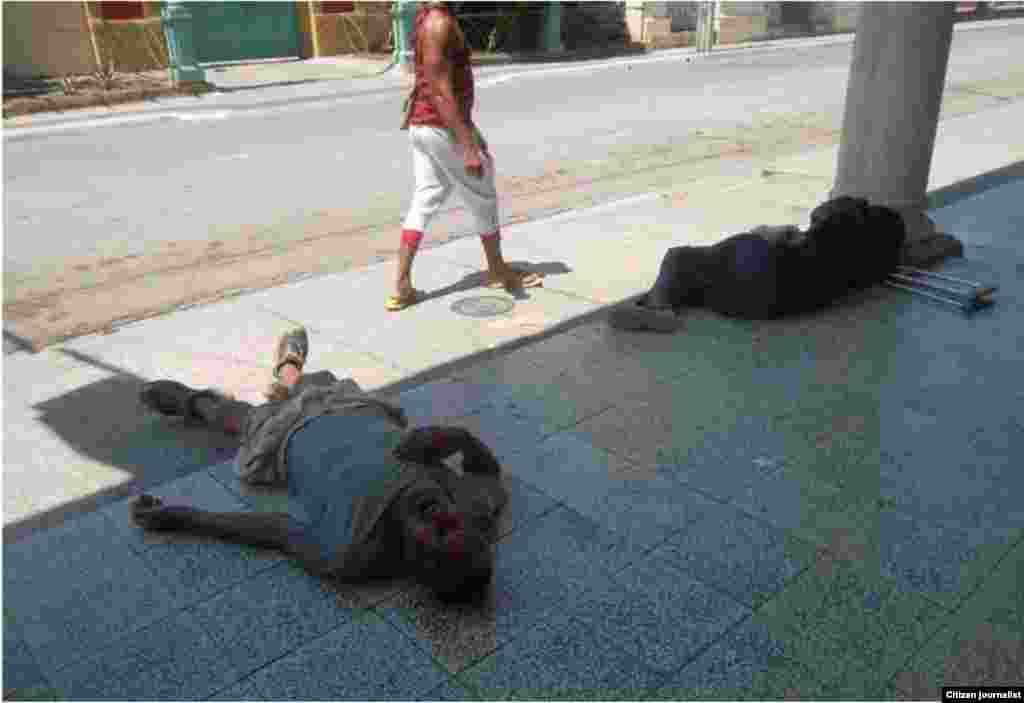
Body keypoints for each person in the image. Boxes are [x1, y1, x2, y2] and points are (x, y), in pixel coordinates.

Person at [133, 327, 508, 603]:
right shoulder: (473, 506)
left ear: (412, 558)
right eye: (454, 522)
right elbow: (488, 475)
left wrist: (181, 517)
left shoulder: (351, 552)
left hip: (285, 437)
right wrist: (461, 439)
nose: (441, 514)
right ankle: (289, 368)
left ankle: (192, 402)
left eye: (437, 534)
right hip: (351, 408)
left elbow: (276, 531)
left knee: (236, 417)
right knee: (305, 385)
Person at [390, 1, 543, 311]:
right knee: (482, 194)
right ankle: (497, 269)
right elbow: (440, 90)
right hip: (439, 127)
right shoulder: (437, 23)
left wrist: (469, 129)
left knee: (425, 199)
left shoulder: (431, 16)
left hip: (427, 126)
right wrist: (468, 146)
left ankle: (402, 286)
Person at [608, 196, 907, 332]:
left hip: (755, 278)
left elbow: (820, 219)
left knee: (679, 256)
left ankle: (659, 306)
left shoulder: (838, 230)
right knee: (703, 281)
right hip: (766, 305)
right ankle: (659, 302)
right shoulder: (863, 269)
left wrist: (769, 234)